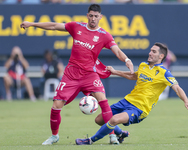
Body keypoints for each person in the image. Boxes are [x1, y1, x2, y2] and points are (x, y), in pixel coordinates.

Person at [20, 4, 134, 145]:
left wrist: (127, 60)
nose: (93, 19)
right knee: (56, 105)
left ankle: (112, 136)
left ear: (100, 17)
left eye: (96, 16)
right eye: (91, 16)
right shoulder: (76, 27)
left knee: (104, 102)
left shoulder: (104, 35)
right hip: (71, 74)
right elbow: (55, 26)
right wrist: (32, 24)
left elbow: (117, 51)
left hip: (89, 75)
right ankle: (54, 136)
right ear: (87, 15)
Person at [75, 42, 188, 145]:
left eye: (154, 52)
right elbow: (133, 76)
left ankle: (90, 140)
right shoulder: (144, 65)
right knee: (99, 120)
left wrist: (186, 101)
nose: (150, 53)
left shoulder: (164, 72)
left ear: (161, 56)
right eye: (150, 50)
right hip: (127, 101)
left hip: (140, 109)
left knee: (114, 119)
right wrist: (114, 72)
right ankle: (120, 133)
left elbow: (177, 88)